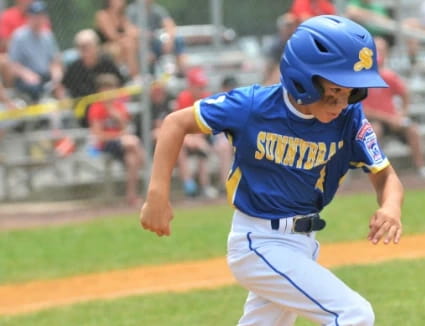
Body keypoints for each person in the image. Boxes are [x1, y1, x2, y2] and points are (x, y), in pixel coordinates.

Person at [141, 15, 404, 326]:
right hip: (258, 241)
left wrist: (390, 207)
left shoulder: (349, 118)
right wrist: (157, 193)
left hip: (302, 244)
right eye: (334, 90)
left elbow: (385, 175)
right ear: (303, 80)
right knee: (353, 315)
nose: (341, 102)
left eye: (351, 92)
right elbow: (175, 123)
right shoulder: (253, 106)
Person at [362, 37, 425, 180]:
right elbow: (364, 110)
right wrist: (390, 119)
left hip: (394, 119)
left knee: (412, 130)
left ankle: (421, 167)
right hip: (374, 121)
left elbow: (405, 93)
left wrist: (402, 114)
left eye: (382, 50)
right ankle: (377, 172)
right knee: (373, 132)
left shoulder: (389, 76)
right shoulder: (362, 78)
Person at [88, 73, 144, 206]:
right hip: (105, 144)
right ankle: (147, 166)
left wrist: (118, 117)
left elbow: (125, 128)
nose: (109, 93)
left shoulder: (118, 107)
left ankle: (131, 196)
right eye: (105, 89)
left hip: (122, 144)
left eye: (111, 89)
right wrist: (118, 136)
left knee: (131, 159)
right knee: (133, 142)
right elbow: (98, 136)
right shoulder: (96, 108)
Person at [62, 29, 126, 126]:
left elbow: (121, 85)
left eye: (87, 46)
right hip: (84, 113)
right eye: (80, 46)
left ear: (96, 46)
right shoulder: (74, 68)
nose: (84, 49)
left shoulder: (106, 64)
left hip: (109, 109)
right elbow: (63, 88)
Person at [174, 66, 217, 198]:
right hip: (187, 137)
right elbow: (180, 125)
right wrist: (191, 139)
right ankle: (189, 185)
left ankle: (205, 186)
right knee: (180, 147)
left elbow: (209, 124)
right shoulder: (183, 98)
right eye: (199, 87)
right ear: (190, 86)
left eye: (203, 86)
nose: (202, 90)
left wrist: (198, 139)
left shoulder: (207, 98)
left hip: (204, 135)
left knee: (202, 151)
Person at [8, 1, 64, 102]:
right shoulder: (19, 36)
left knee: (61, 85)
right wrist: (26, 74)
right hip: (27, 79)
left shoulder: (48, 36)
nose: (39, 19)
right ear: (29, 17)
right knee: (35, 88)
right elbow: (13, 65)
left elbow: (54, 61)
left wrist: (56, 76)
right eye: (36, 16)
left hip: (45, 76)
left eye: (41, 16)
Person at [126, 0, 187, 77]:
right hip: (140, 42)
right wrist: (144, 34)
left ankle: (182, 73)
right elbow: (129, 30)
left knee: (178, 40)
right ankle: (136, 77)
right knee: (131, 43)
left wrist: (169, 39)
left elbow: (170, 25)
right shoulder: (132, 10)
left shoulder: (156, 9)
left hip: (154, 41)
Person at [94, 0, 139, 78]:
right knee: (128, 44)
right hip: (105, 46)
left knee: (134, 43)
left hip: (121, 43)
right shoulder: (102, 15)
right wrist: (128, 36)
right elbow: (112, 36)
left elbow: (132, 31)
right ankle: (134, 76)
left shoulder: (121, 16)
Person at [263, 13, 298, 85]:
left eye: (294, 25)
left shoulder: (299, 43)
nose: (291, 29)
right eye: (288, 26)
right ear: (281, 28)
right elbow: (270, 66)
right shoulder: (276, 45)